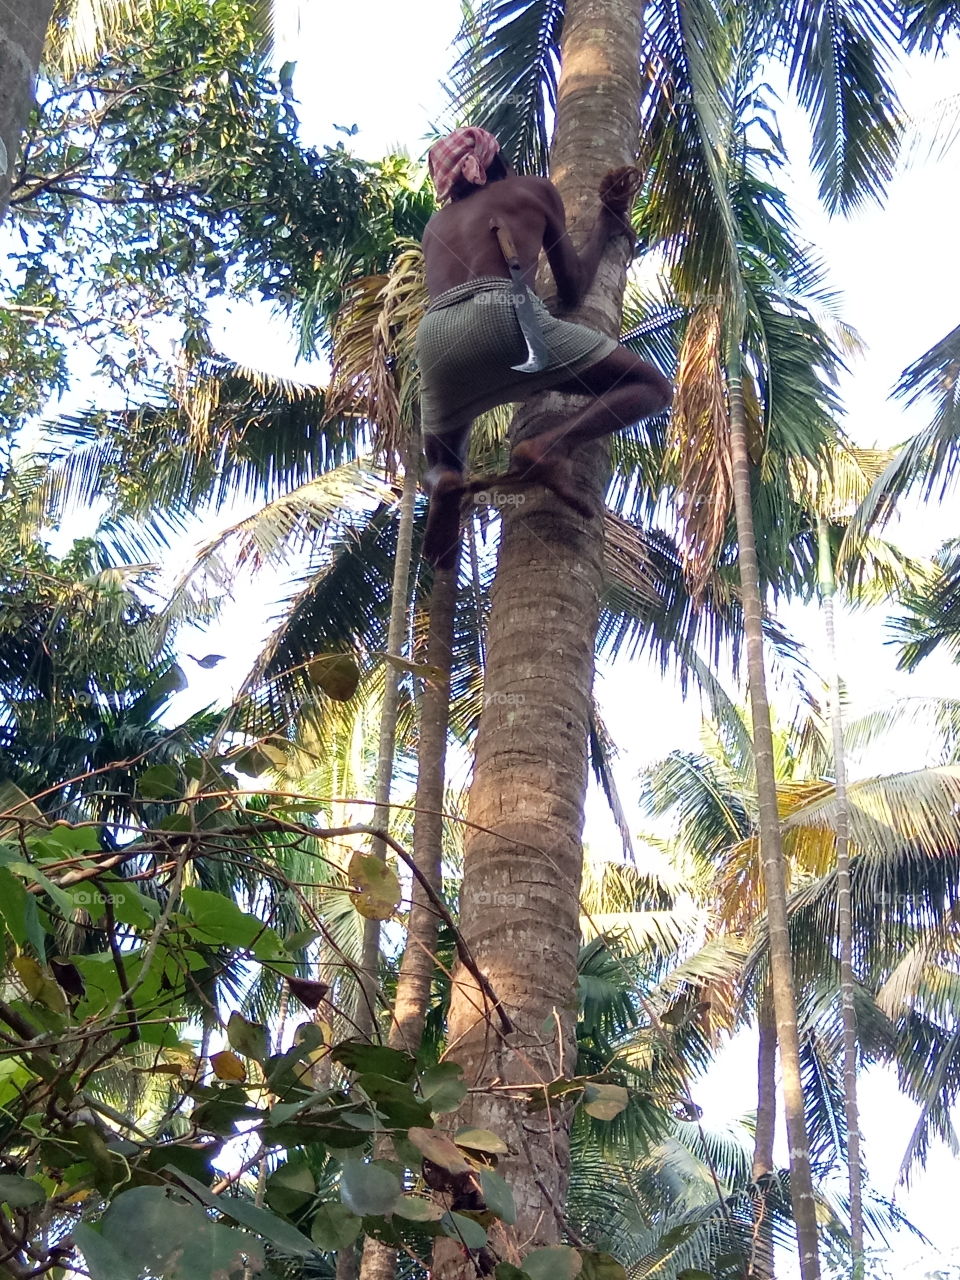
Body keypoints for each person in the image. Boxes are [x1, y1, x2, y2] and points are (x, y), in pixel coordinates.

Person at [415, 126, 673, 569]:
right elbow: (572, 289)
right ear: (497, 162)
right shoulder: (531, 190)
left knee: (441, 457)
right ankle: (551, 445)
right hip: (502, 312)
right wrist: (606, 227)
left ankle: (445, 483)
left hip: (435, 336)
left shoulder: (435, 227)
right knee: (652, 388)